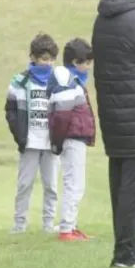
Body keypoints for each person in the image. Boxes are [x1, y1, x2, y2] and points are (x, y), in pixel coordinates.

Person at [92, 0, 135, 268]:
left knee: (119, 182)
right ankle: (125, 254)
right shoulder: (133, 18)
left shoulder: (104, 16)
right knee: (131, 188)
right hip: (132, 114)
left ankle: (124, 251)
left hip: (112, 112)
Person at [5, 33, 59, 234]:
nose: (49, 63)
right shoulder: (20, 81)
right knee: (24, 184)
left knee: (51, 186)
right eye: (45, 59)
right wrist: (19, 135)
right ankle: (19, 224)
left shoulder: (57, 80)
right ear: (34, 57)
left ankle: (48, 224)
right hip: (29, 143)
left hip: (51, 143)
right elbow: (10, 109)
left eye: (52, 59)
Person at [47, 38, 95, 242]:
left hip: (72, 137)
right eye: (86, 63)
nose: (88, 67)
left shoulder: (70, 80)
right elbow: (63, 115)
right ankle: (66, 229)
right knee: (75, 183)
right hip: (72, 137)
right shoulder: (67, 81)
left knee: (73, 182)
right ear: (75, 62)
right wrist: (58, 140)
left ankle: (71, 225)